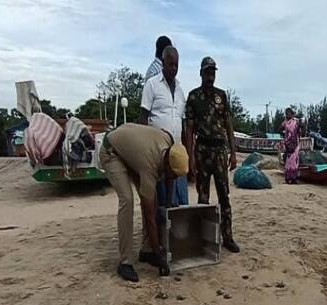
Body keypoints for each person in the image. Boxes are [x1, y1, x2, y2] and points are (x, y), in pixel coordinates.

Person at [99, 123, 188, 282]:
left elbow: (170, 178)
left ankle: (146, 251)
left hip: (132, 152)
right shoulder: (150, 166)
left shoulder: (170, 143)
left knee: (151, 199)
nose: (173, 178)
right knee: (127, 199)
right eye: (173, 174)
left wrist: (168, 204)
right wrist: (159, 253)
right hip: (111, 151)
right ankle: (125, 262)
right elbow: (149, 216)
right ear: (167, 163)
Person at [185, 57, 240, 253]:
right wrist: (190, 157)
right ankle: (202, 240)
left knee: (224, 195)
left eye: (213, 73)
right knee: (202, 197)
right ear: (201, 73)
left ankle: (228, 237)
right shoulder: (193, 97)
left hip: (220, 151)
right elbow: (189, 129)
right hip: (202, 151)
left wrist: (233, 154)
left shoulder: (222, 96)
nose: (210, 76)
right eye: (207, 72)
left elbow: (228, 125)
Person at [140, 46, 188, 206]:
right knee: (161, 202)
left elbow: (183, 122)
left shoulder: (181, 91)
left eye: (176, 65)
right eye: (170, 64)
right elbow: (143, 118)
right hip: (158, 155)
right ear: (163, 63)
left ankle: (178, 231)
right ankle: (159, 231)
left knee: (181, 202)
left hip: (178, 154)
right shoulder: (152, 85)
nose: (173, 68)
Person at [281, 107, 301, 184]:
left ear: (292, 113)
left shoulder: (296, 121)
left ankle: (294, 178)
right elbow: (280, 129)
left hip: (295, 143)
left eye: (289, 113)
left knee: (295, 161)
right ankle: (287, 178)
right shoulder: (285, 122)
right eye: (286, 113)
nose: (287, 114)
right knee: (288, 161)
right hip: (288, 143)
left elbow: (301, 128)